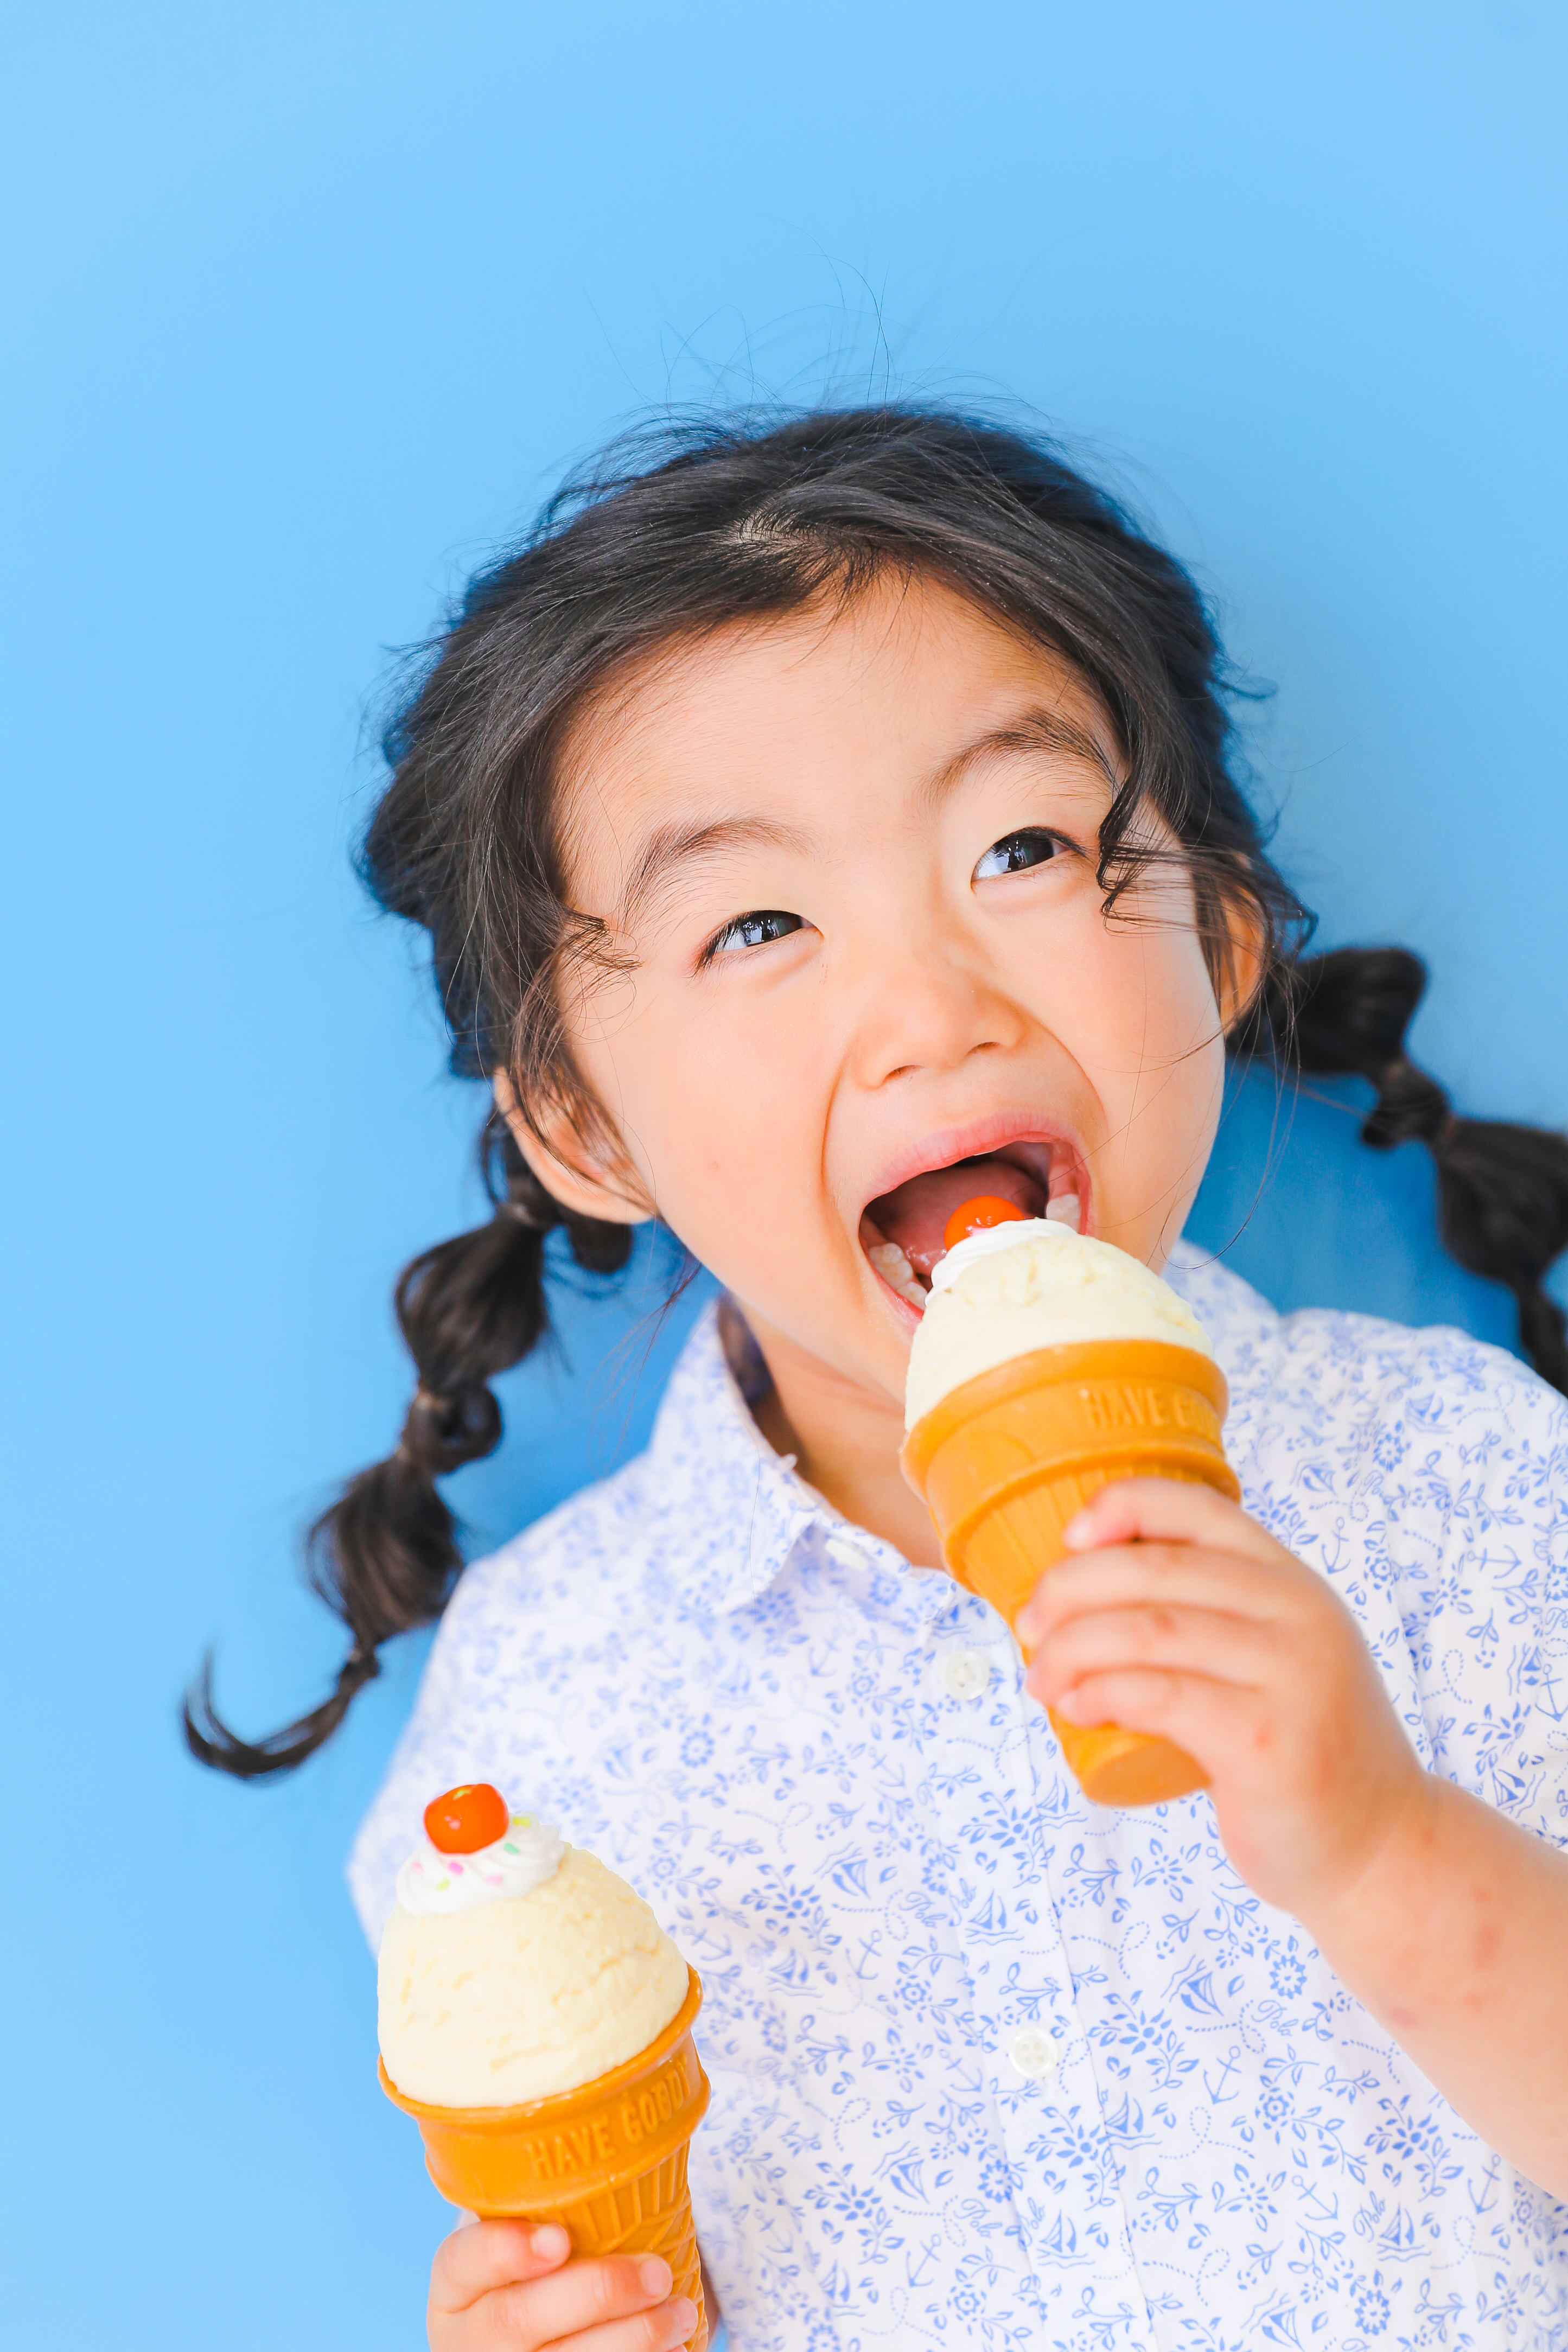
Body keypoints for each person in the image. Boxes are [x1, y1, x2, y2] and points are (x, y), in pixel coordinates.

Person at [190, 409, 1568, 2350]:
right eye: (755, 923)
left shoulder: (1471, 1487)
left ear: (1221, 936)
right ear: (583, 1128)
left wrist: (1380, 1840)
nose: (927, 1004)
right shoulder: (554, 1705)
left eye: (1020, 846)